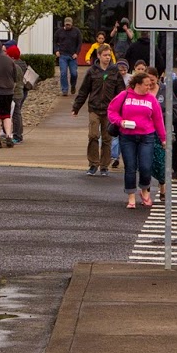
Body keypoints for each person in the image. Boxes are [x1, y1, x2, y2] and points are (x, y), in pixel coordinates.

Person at [108, 70, 166, 209]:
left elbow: (158, 119)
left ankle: (145, 190)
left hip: (147, 136)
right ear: (138, 84)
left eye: (150, 84)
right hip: (127, 136)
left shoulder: (151, 99)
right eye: (146, 84)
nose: (149, 87)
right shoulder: (125, 95)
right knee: (130, 167)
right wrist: (120, 121)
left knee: (146, 166)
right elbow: (111, 111)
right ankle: (131, 196)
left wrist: (163, 138)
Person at [73, 45, 123, 176]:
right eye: (105, 55)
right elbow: (84, 90)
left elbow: (121, 93)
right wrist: (76, 107)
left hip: (109, 110)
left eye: (109, 55)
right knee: (93, 135)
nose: (107, 58)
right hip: (94, 108)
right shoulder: (92, 71)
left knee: (107, 138)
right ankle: (93, 163)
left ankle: (104, 165)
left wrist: (122, 110)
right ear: (99, 55)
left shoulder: (114, 72)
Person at [4, 42, 32, 144]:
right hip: (22, 92)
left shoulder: (14, 66)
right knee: (16, 113)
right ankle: (14, 133)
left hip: (15, 93)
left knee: (15, 114)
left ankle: (17, 135)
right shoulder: (23, 64)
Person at [53, 16, 82, 95]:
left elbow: (79, 43)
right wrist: (56, 51)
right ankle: (64, 90)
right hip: (63, 55)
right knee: (63, 73)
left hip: (72, 56)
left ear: (72, 24)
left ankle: (73, 85)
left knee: (74, 73)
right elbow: (54, 42)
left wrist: (77, 53)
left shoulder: (76, 31)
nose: (67, 26)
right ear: (64, 24)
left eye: (69, 24)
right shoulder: (59, 32)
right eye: (66, 24)